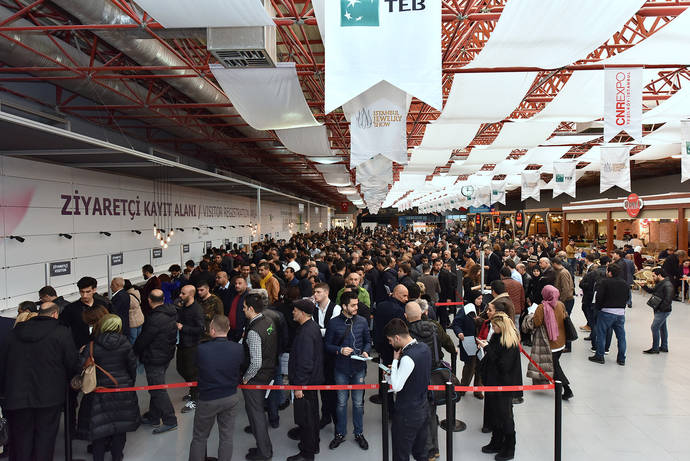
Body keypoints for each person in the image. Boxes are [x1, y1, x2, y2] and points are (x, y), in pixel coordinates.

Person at [0, 302, 78, 461]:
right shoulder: (61, 333)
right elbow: (71, 364)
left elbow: (3, 364)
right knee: (45, 439)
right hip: (49, 396)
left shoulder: (13, 333)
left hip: (16, 396)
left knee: (21, 440)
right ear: (55, 314)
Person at [76, 314, 140, 461]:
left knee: (100, 427)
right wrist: (129, 384)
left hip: (99, 391)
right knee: (120, 426)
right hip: (122, 389)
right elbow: (132, 367)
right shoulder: (125, 343)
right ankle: (117, 456)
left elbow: (79, 366)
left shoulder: (92, 346)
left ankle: (98, 457)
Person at [188, 315, 244, 461]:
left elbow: (194, 368)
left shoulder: (202, 349)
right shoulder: (238, 348)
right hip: (230, 397)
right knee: (226, 437)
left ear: (212, 330)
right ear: (229, 329)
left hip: (208, 399)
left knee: (200, 437)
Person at [324, 291, 371, 450]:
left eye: (357, 304)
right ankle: (340, 433)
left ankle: (359, 433)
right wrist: (339, 350)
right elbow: (327, 345)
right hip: (341, 369)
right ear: (344, 306)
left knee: (358, 404)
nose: (356, 307)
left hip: (359, 368)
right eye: (353, 305)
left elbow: (368, 341)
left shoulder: (363, 321)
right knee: (341, 403)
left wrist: (366, 351)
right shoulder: (333, 323)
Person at [385, 318, 431, 461]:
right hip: (423, 408)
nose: (390, 343)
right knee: (421, 452)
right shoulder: (424, 348)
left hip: (406, 414)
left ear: (397, 337)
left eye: (390, 340)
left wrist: (395, 360)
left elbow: (397, 386)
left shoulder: (407, 357)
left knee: (401, 454)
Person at [134, 289, 179, 433]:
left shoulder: (155, 318)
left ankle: (170, 419)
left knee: (158, 390)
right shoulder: (170, 313)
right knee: (156, 387)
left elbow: (144, 339)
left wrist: (134, 351)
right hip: (165, 355)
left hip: (155, 358)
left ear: (149, 300)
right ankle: (153, 416)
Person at [478, 312, 521, 461]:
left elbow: (504, 365)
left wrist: (488, 349)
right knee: (495, 414)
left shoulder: (510, 343)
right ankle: (496, 441)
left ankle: (509, 447)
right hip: (493, 382)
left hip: (504, 385)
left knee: (505, 416)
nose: (492, 328)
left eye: (494, 326)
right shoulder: (497, 337)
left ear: (502, 327)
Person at [241, 293, 277, 461]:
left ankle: (264, 452)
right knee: (259, 413)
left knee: (257, 415)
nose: (242, 310)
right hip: (269, 372)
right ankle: (264, 447)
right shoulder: (268, 321)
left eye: (244, 307)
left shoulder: (254, 331)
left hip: (256, 378)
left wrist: (246, 378)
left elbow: (255, 362)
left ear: (251, 309)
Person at [287, 299, 325, 461]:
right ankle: (313, 444)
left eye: (295, 310)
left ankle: (307, 453)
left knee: (306, 418)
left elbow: (305, 362)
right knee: (313, 414)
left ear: (303, 313)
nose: (293, 312)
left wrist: (299, 386)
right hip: (313, 380)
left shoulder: (305, 334)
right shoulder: (312, 327)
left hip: (306, 383)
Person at [532, 286, 573, 400]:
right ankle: (559, 387)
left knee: (554, 367)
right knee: (555, 364)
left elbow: (536, 322)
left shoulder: (542, 307)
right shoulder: (561, 304)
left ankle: (566, 389)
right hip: (561, 342)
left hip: (549, 343)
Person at [311, 283, 341, 428]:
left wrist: (319, 331)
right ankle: (326, 415)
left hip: (333, 352)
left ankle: (336, 419)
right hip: (318, 351)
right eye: (314, 292)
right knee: (322, 383)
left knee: (333, 385)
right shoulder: (313, 309)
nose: (315, 295)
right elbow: (313, 329)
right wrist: (322, 331)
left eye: (318, 292)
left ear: (326, 293)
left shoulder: (336, 308)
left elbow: (333, 330)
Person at [589, 264, 628, 366]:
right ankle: (621, 358)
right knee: (621, 336)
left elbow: (599, 297)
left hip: (606, 311)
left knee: (601, 334)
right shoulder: (625, 283)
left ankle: (599, 356)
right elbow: (627, 297)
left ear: (610, 272)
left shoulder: (604, 282)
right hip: (620, 313)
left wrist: (599, 307)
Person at [176, 285, 204, 413]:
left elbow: (200, 329)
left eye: (183, 294)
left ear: (191, 295)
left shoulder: (196, 310)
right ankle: (193, 390)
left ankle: (195, 398)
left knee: (192, 373)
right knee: (181, 369)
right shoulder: (183, 307)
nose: (180, 296)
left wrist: (183, 328)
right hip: (182, 344)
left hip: (192, 346)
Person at [452, 297, 483, 399]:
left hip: (482, 343)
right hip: (469, 342)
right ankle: (463, 388)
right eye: (478, 298)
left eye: (481, 298)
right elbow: (456, 323)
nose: (480, 301)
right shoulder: (465, 310)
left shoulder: (485, 309)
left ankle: (478, 390)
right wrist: (459, 332)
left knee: (481, 366)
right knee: (469, 365)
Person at [373, 284, 408, 367]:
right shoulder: (399, 310)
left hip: (380, 344)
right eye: (404, 296)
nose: (406, 299)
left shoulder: (380, 305)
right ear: (396, 294)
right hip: (393, 346)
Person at [642, 268, 673, 353]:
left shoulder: (667, 285)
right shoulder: (660, 283)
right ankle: (664, 346)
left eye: (654, 276)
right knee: (662, 328)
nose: (652, 277)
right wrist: (644, 286)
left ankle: (655, 348)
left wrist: (660, 309)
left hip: (662, 310)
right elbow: (652, 291)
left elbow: (668, 299)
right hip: (660, 309)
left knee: (654, 327)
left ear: (659, 275)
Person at [551, 258, 574, 352]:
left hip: (566, 301)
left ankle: (568, 345)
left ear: (555, 264)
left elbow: (566, 289)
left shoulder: (563, 273)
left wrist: (561, 302)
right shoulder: (561, 272)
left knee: (565, 322)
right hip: (564, 300)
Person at [226, 275, 249, 342]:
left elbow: (250, 316)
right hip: (230, 330)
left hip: (240, 332)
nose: (237, 285)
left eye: (240, 283)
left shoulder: (248, 297)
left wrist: (245, 330)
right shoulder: (233, 295)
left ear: (245, 285)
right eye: (236, 283)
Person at [124, 279, 145, 344]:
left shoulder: (128, 297)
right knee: (139, 337)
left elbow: (132, 306)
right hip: (140, 318)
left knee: (133, 339)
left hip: (132, 321)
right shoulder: (136, 292)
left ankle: (133, 352)